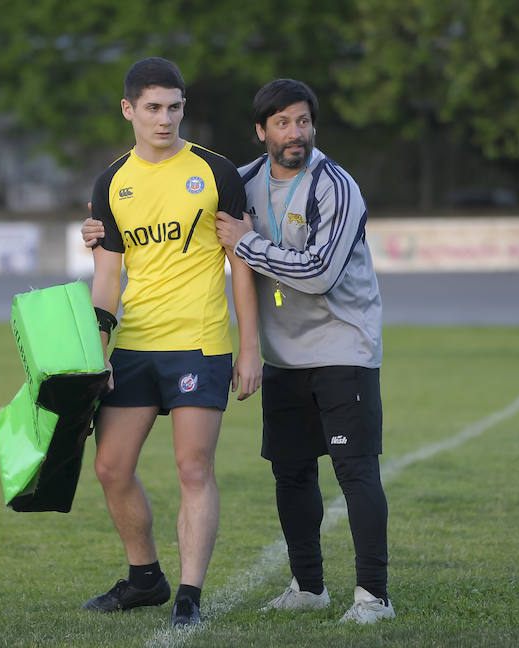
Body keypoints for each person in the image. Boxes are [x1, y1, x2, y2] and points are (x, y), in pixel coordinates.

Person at [82, 78, 394, 624]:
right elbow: (127, 250)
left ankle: (373, 595)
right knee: (292, 472)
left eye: (302, 122)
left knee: (354, 471)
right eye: (282, 123)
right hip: (281, 355)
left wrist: (245, 251)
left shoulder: (331, 185)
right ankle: (307, 587)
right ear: (262, 131)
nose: (294, 133)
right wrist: (98, 232)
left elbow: (313, 273)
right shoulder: (239, 178)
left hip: (341, 346)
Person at [83, 57, 261, 628]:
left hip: (200, 343)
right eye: (154, 108)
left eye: (175, 107)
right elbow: (107, 278)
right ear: (129, 109)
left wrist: (249, 348)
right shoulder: (112, 182)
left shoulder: (216, 172)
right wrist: (97, 355)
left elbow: (242, 266)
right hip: (134, 344)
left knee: (193, 468)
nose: (165, 119)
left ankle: (189, 594)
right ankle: (145, 579)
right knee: (110, 468)